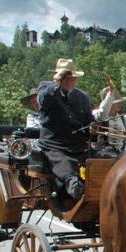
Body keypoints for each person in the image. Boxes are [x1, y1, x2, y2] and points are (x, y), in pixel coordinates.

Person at [37, 58, 94, 201]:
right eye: (66, 78)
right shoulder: (46, 89)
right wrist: (56, 83)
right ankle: (73, 185)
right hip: (54, 144)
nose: (70, 81)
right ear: (58, 78)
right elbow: (43, 101)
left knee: (101, 158)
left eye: (72, 78)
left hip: (79, 145)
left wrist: (94, 127)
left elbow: (89, 120)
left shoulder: (82, 97)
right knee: (64, 163)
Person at [92, 74, 126, 152]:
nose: (119, 104)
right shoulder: (96, 114)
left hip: (123, 153)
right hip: (102, 153)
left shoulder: (124, 118)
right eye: (116, 103)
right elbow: (102, 113)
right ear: (109, 104)